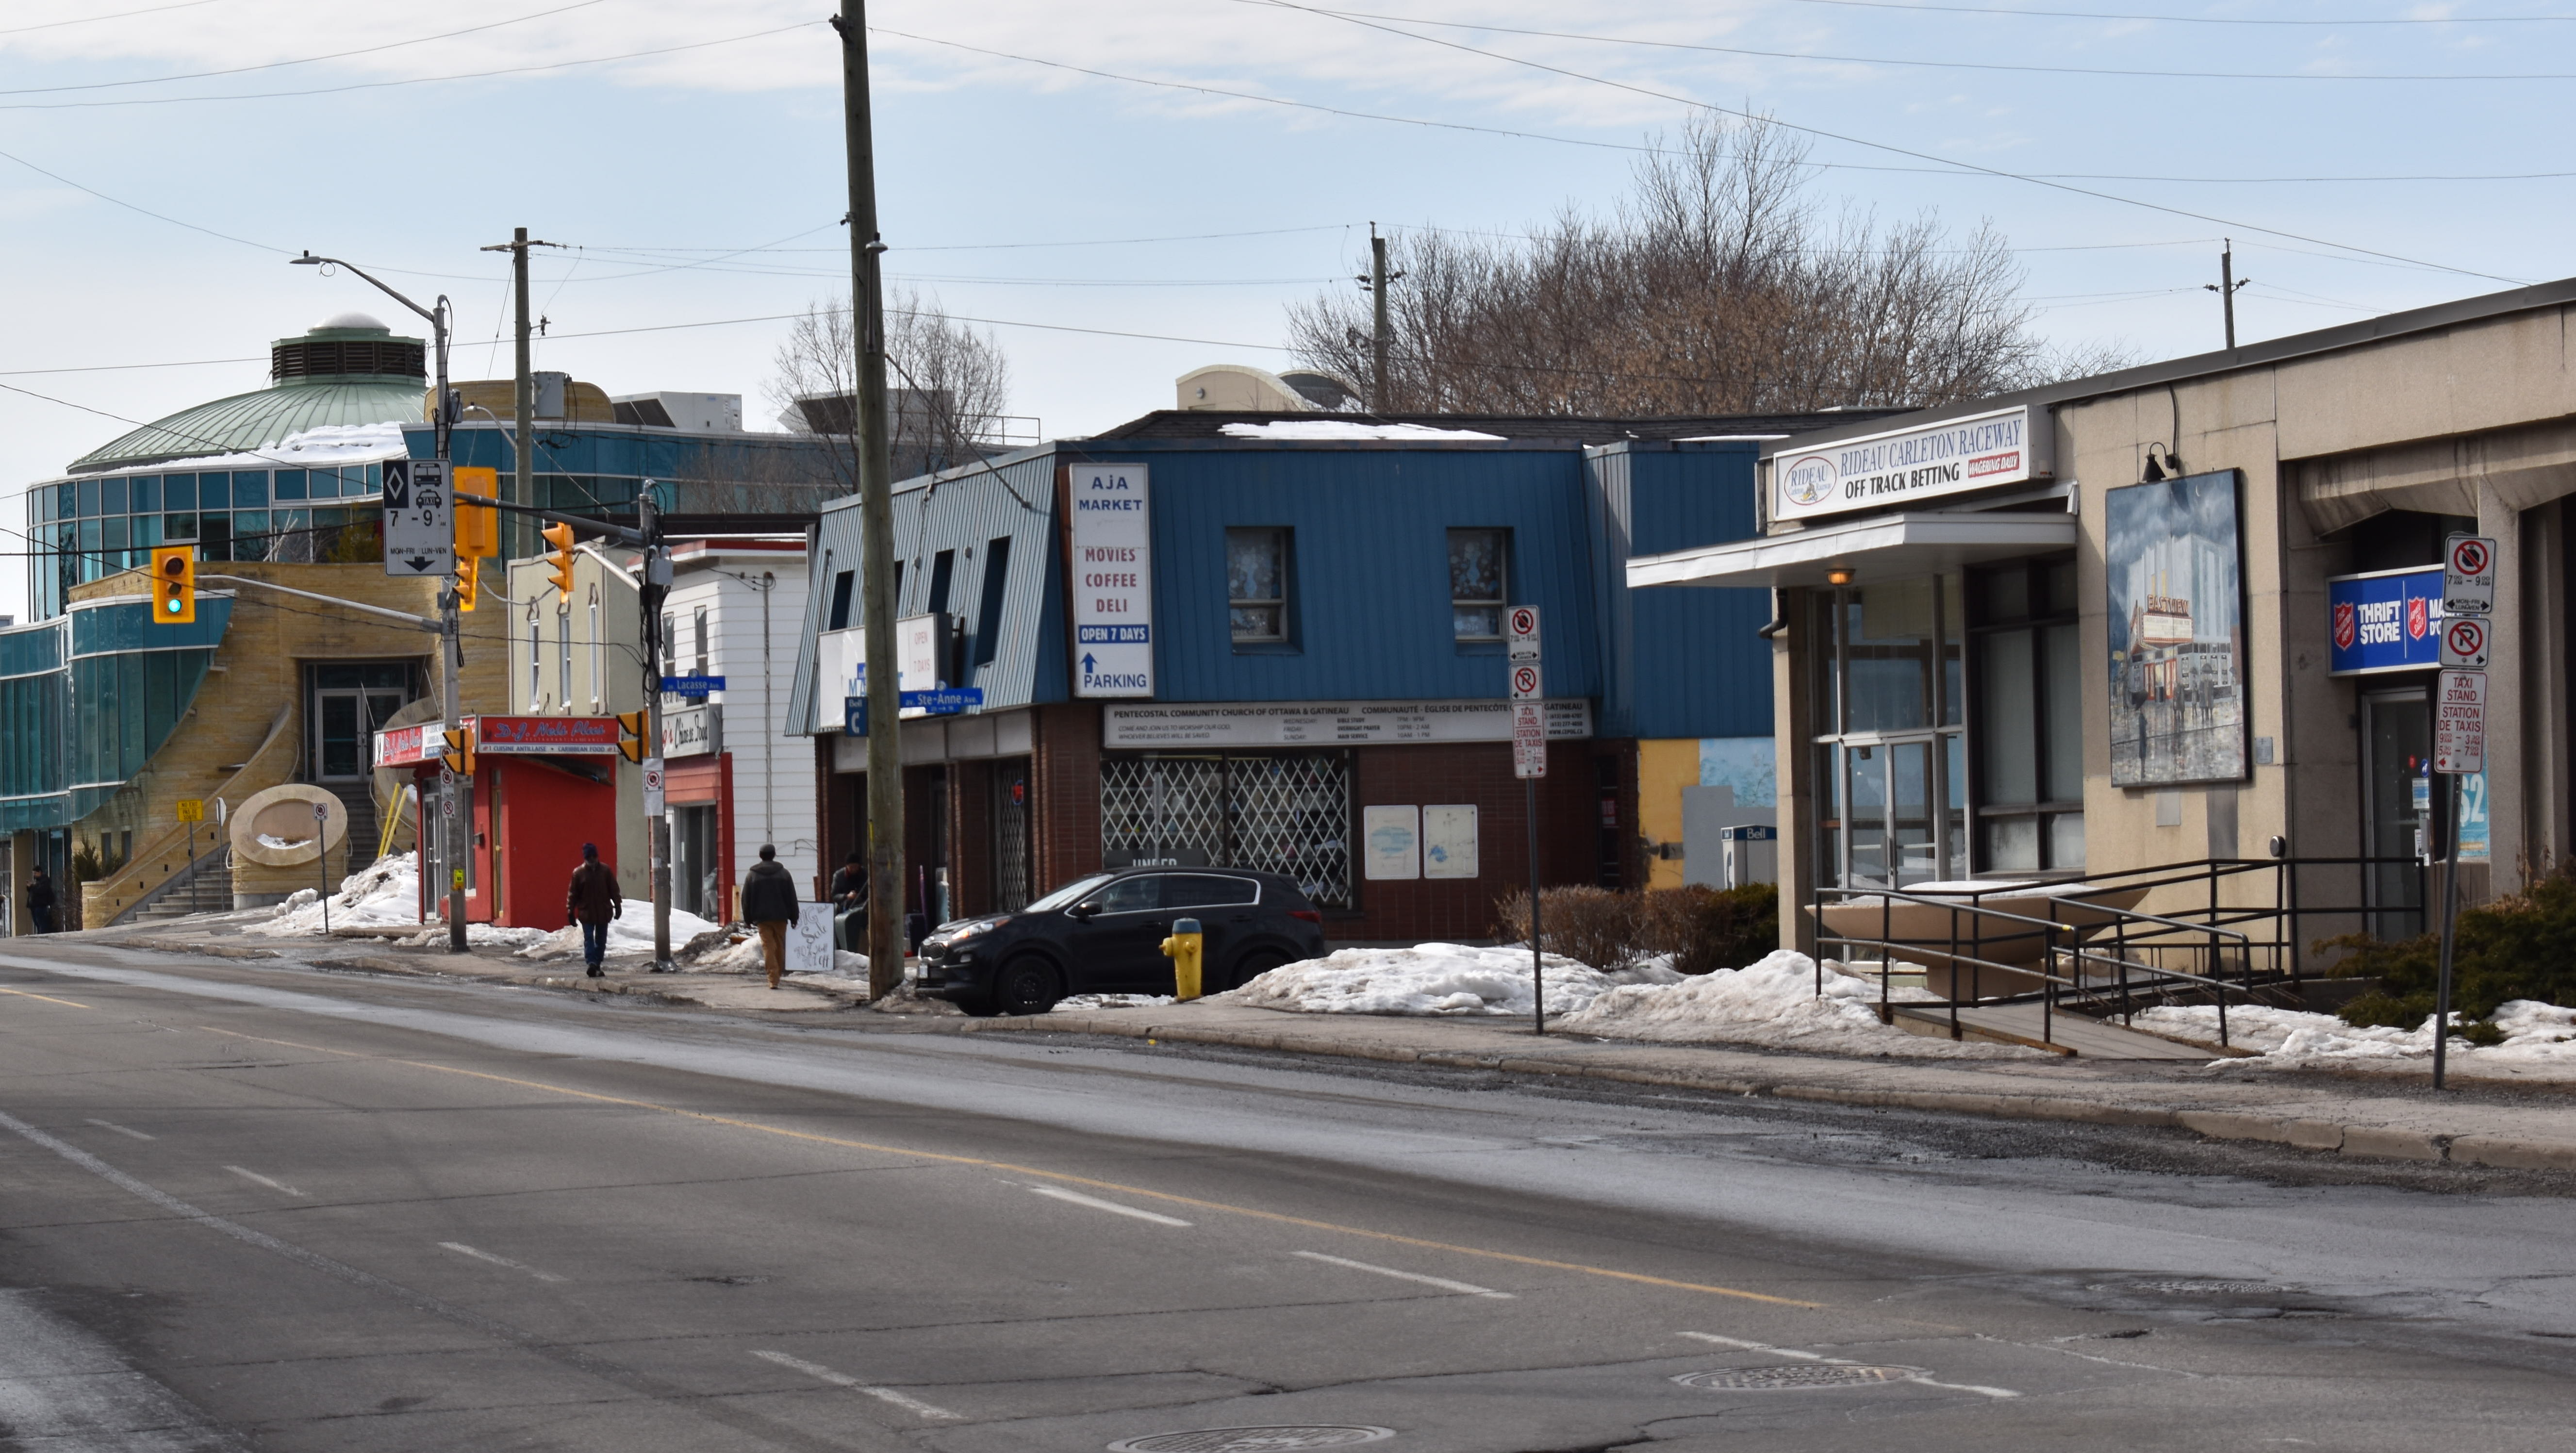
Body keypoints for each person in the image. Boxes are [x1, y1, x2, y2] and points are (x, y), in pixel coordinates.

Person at [740, 844, 800, 991]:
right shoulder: (784, 874)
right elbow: (792, 897)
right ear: (774, 855)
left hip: (762, 918)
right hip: (781, 916)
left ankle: (773, 979)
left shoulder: (752, 875)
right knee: (779, 945)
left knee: (768, 946)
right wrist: (794, 917)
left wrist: (747, 919)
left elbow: (746, 899)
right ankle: (777, 975)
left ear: (760, 856)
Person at [565, 843, 621, 978]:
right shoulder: (578, 873)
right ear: (585, 858)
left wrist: (618, 905)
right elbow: (573, 894)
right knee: (589, 938)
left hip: (603, 911)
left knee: (601, 940)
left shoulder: (605, 871)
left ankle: (597, 964)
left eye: (594, 856)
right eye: (589, 857)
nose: (592, 860)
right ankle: (591, 962)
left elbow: (614, 889)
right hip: (587, 912)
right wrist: (570, 911)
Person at [828, 850, 868, 951]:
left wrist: (860, 896)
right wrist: (847, 896)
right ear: (847, 867)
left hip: (861, 905)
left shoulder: (865, 874)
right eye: (851, 867)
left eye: (856, 867)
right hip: (844, 906)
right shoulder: (839, 876)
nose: (854, 869)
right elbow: (834, 895)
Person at [25, 867, 55, 935]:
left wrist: (33, 886)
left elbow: (41, 891)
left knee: (41, 921)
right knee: (36, 921)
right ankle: (40, 933)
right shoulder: (37, 881)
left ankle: (43, 934)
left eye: (35, 873)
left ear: (40, 872)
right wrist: (29, 887)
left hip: (41, 905)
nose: (34, 875)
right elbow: (32, 891)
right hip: (34, 905)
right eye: (33, 873)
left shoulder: (45, 881)